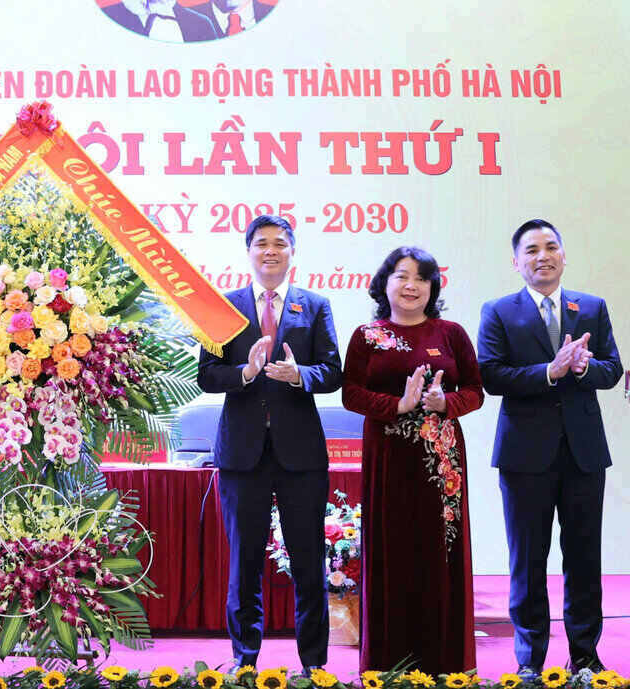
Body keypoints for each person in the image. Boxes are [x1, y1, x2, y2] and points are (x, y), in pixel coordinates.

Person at [197, 215, 341, 672]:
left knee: (308, 565)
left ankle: (314, 666)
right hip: (242, 454)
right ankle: (244, 664)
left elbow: (333, 371)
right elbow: (205, 375)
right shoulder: (224, 307)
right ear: (249, 251)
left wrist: (300, 375)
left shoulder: (315, 305)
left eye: (280, 243)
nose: (271, 251)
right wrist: (244, 373)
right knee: (244, 566)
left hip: (301, 456)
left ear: (292, 251)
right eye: (262, 244)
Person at [477, 220, 622, 675]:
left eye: (551, 247)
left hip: (583, 454)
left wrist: (582, 368)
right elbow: (491, 375)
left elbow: (613, 369)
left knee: (583, 557)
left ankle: (585, 654)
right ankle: (530, 659)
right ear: (516, 261)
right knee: (528, 559)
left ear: (563, 255)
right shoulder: (499, 310)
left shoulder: (591, 308)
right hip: (524, 456)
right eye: (532, 249)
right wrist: (549, 372)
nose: (544, 256)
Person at [341, 246, 482, 673]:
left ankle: (446, 663)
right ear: (385, 283)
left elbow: (476, 390)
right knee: (393, 553)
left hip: (442, 468)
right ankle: (388, 663)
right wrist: (398, 406)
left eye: (421, 278)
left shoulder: (451, 333)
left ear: (432, 287)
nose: (411, 286)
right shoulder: (367, 336)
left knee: (440, 556)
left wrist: (446, 402)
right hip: (388, 462)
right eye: (402, 276)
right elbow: (350, 394)